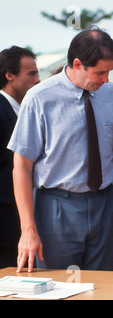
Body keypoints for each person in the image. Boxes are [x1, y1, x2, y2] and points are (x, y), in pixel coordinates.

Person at [8, 27, 113, 273]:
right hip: (56, 210)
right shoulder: (39, 99)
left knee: (104, 287)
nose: (107, 80)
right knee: (57, 287)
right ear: (78, 64)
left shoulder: (111, 93)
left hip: (105, 206)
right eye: (100, 72)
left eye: (109, 72)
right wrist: (28, 230)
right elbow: (22, 166)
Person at [0, 46, 40, 268]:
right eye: (31, 73)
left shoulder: (22, 110)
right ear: (9, 75)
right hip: (6, 226)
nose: (37, 79)